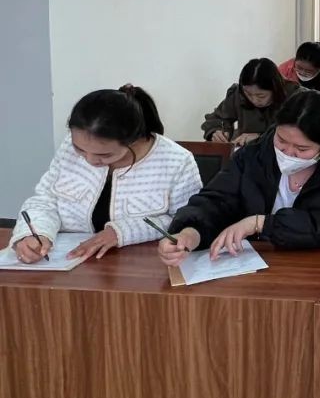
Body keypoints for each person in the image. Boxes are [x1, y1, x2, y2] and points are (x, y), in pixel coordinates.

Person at [160, 90, 320, 262]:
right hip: (251, 263)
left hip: (319, 267)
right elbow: (217, 199)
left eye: (301, 148)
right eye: (281, 140)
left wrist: (262, 224)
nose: (288, 153)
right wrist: (191, 232)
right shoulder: (254, 154)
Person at [11, 86, 202, 264]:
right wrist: (34, 233)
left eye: (104, 155)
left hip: (141, 265)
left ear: (132, 140)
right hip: (69, 262)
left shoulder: (176, 161)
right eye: (80, 150)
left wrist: (121, 232)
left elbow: (185, 221)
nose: (89, 160)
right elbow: (45, 200)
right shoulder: (69, 146)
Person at [202, 58, 298, 144]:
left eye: (261, 96)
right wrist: (216, 131)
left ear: (275, 89)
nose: (254, 100)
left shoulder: (295, 96)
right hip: (246, 153)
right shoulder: (238, 94)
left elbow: (300, 131)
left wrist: (261, 137)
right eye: (248, 94)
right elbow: (218, 118)